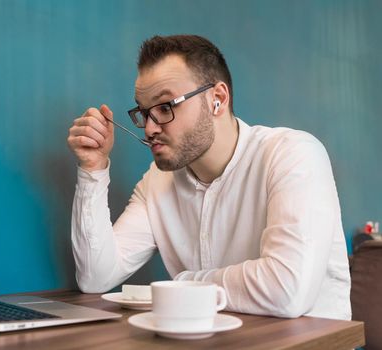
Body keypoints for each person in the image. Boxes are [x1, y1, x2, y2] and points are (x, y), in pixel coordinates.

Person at [66, 34, 351, 320]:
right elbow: (96, 277)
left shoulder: (293, 154)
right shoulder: (157, 182)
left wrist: (181, 284)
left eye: (166, 107)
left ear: (217, 99)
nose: (150, 128)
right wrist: (93, 169)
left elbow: (288, 291)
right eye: (144, 112)